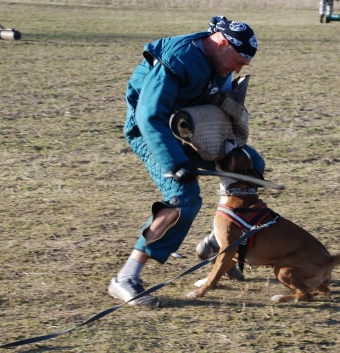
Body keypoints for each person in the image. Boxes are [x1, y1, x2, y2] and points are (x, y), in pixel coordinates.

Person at [108, 16, 265, 305]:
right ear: (221, 43)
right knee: (184, 199)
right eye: (238, 59)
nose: (239, 68)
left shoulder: (219, 61)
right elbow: (148, 116)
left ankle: (215, 243)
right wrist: (174, 163)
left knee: (249, 163)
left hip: (189, 129)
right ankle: (126, 277)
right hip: (149, 131)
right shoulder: (178, 60)